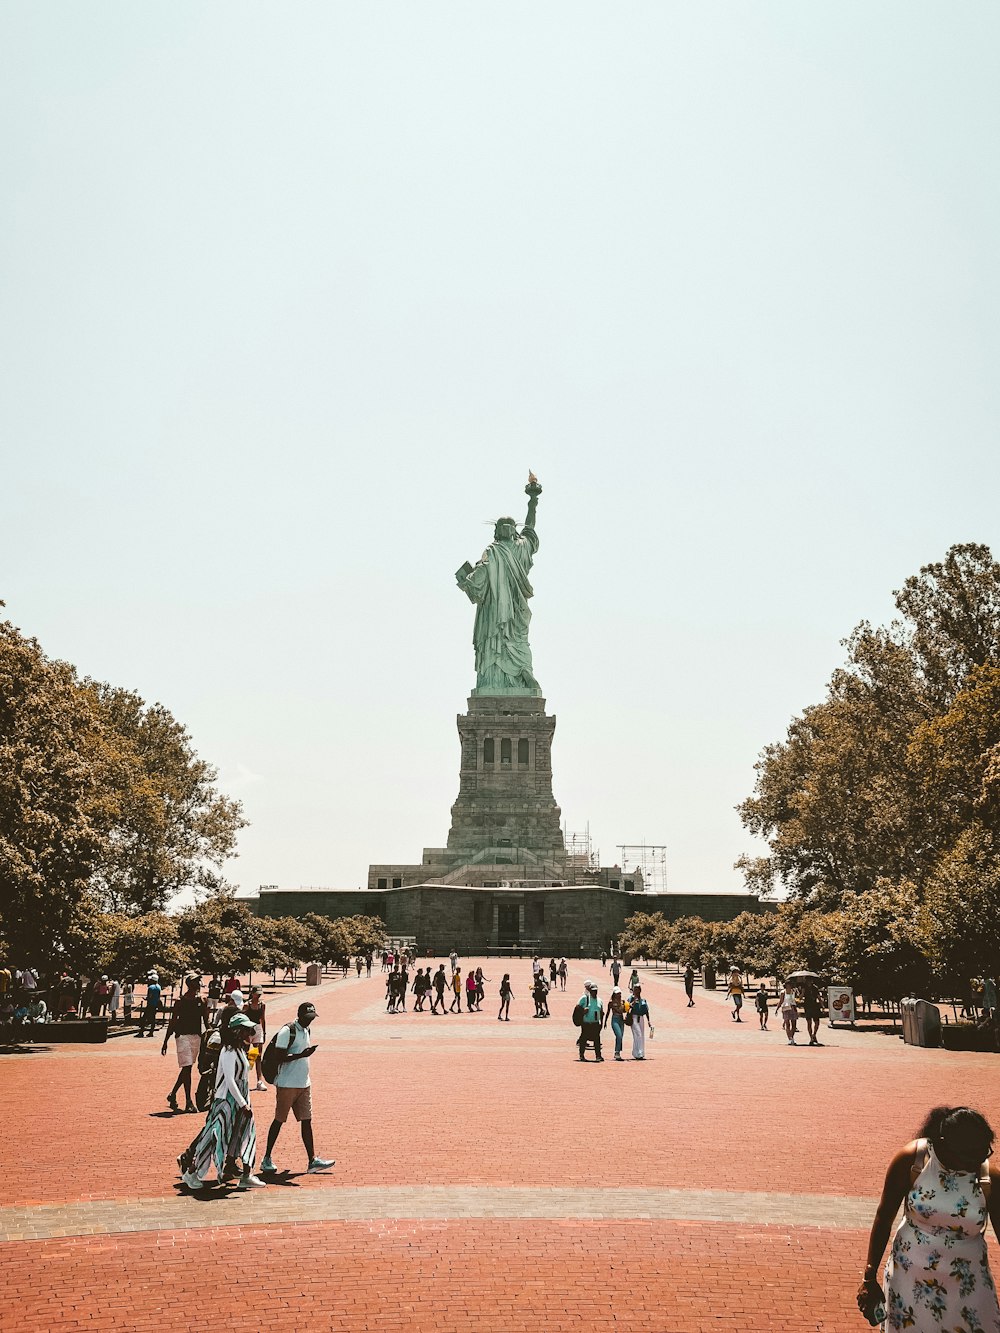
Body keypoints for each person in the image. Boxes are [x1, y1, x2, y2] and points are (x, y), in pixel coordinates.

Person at [858, 1105, 1000, 1330]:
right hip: (909, 1279)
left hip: (968, 1285)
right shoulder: (914, 1160)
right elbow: (883, 1217)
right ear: (944, 1143)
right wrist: (869, 1278)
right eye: (969, 1155)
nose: (977, 1161)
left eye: (983, 1153)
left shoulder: (988, 1177)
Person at [178, 1012, 264, 1191]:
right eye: (246, 1030)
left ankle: (246, 1173)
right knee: (212, 1138)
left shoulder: (240, 1049)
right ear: (237, 1031)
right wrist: (243, 1103)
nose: (250, 1033)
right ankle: (191, 1173)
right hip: (225, 1102)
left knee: (244, 1134)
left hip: (240, 1100)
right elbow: (230, 1080)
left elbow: (242, 1076)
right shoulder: (229, 1051)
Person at [260, 1002, 334, 1176]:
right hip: (286, 1084)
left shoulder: (307, 1030)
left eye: (312, 1018)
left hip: (303, 1083)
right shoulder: (288, 1031)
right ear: (300, 1015)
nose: (310, 1021)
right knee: (279, 1121)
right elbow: (279, 1057)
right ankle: (267, 1158)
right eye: (307, 1018)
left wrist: (304, 1056)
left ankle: (312, 1161)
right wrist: (302, 1055)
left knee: (307, 1121)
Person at [162, 975, 208, 1112]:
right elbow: (173, 1021)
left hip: (196, 1037)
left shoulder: (202, 1000)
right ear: (189, 984)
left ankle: (173, 1094)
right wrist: (165, 1041)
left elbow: (206, 1022)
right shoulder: (180, 1001)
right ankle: (188, 1101)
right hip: (182, 1036)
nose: (198, 983)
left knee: (187, 1068)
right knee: (187, 1067)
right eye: (195, 981)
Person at [245, 986, 267, 1089]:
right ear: (252, 993)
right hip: (247, 1029)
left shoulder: (262, 1005)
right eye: (256, 994)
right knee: (245, 1054)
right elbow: (243, 1018)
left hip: (258, 1029)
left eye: (259, 994)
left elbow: (263, 1018)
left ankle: (259, 1081)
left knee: (258, 1055)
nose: (258, 996)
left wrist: (264, 1032)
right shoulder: (246, 1005)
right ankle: (244, 1077)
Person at [576, 981, 603, 1061]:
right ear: (590, 991)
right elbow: (577, 1008)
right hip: (586, 1023)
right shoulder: (585, 998)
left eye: (596, 991)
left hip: (595, 1023)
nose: (595, 992)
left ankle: (598, 1056)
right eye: (593, 991)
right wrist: (583, 1011)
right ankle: (581, 1055)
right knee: (584, 1039)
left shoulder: (599, 1000)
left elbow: (601, 1012)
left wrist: (601, 1022)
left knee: (597, 1040)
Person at [627, 984, 653, 1060]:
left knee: (641, 1035)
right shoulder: (631, 998)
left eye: (638, 989)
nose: (636, 991)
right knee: (638, 1034)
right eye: (635, 989)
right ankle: (639, 1052)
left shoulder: (643, 1000)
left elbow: (646, 1011)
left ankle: (637, 1052)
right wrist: (633, 1003)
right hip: (634, 1017)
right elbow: (627, 1007)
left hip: (641, 1018)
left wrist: (649, 1021)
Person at [604, 986, 626, 1060]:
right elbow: (607, 1012)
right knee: (618, 1035)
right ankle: (616, 1052)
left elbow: (626, 1010)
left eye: (619, 993)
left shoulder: (623, 1002)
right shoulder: (611, 1002)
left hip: (621, 1019)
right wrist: (605, 1022)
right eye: (617, 993)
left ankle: (618, 1052)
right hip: (615, 1019)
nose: (619, 995)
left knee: (621, 1036)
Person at [137, 972, 161, 1037]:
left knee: (143, 1018)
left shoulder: (151, 987)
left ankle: (141, 1032)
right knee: (153, 1019)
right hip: (155, 1005)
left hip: (150, 1005)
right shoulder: (159, 987)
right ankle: (151, 1032)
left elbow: (149, 996)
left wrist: (146, 998)